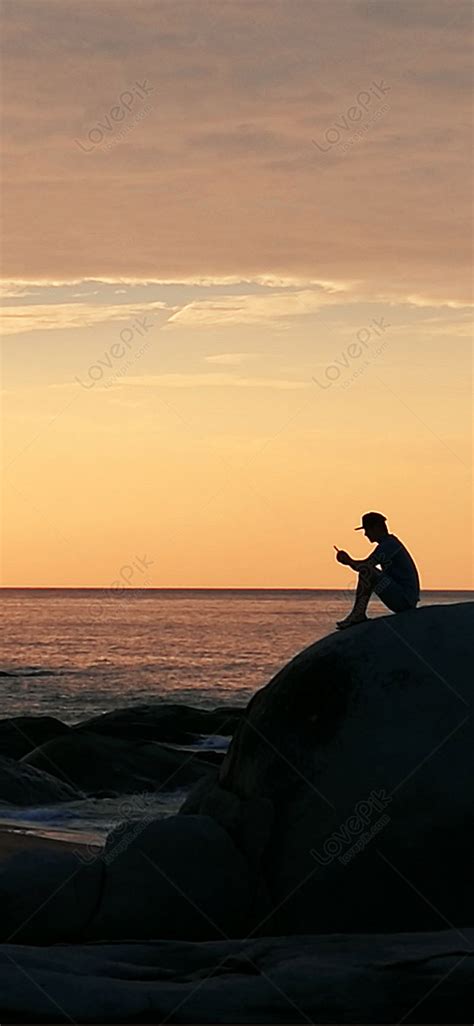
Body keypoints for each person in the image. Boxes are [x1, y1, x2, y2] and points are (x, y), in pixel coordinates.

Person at [335, 511, 420, 630]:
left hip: (404, 599)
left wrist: (348, 561)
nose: (365, 534)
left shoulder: (390, 545)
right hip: (403, 597)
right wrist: (350, 562)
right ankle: (358, 614)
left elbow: (366, 567)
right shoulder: (387, 544)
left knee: (368, 572)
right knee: (368, 572)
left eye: (367, 530)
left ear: (377, 528)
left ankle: (358, 614)